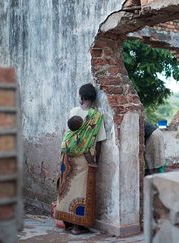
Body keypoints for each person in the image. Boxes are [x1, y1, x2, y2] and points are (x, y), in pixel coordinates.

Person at [54, 83, 107, 235]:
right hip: (85, 157)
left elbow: (69, 133)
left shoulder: (73, 111)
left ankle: (67, 222)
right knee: (80, 191)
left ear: (81, 97)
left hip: (67, 156)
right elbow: (100, 141)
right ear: (93, 99)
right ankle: (77, 227)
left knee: (66, 188)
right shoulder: (96, 116)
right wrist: (95, 161)